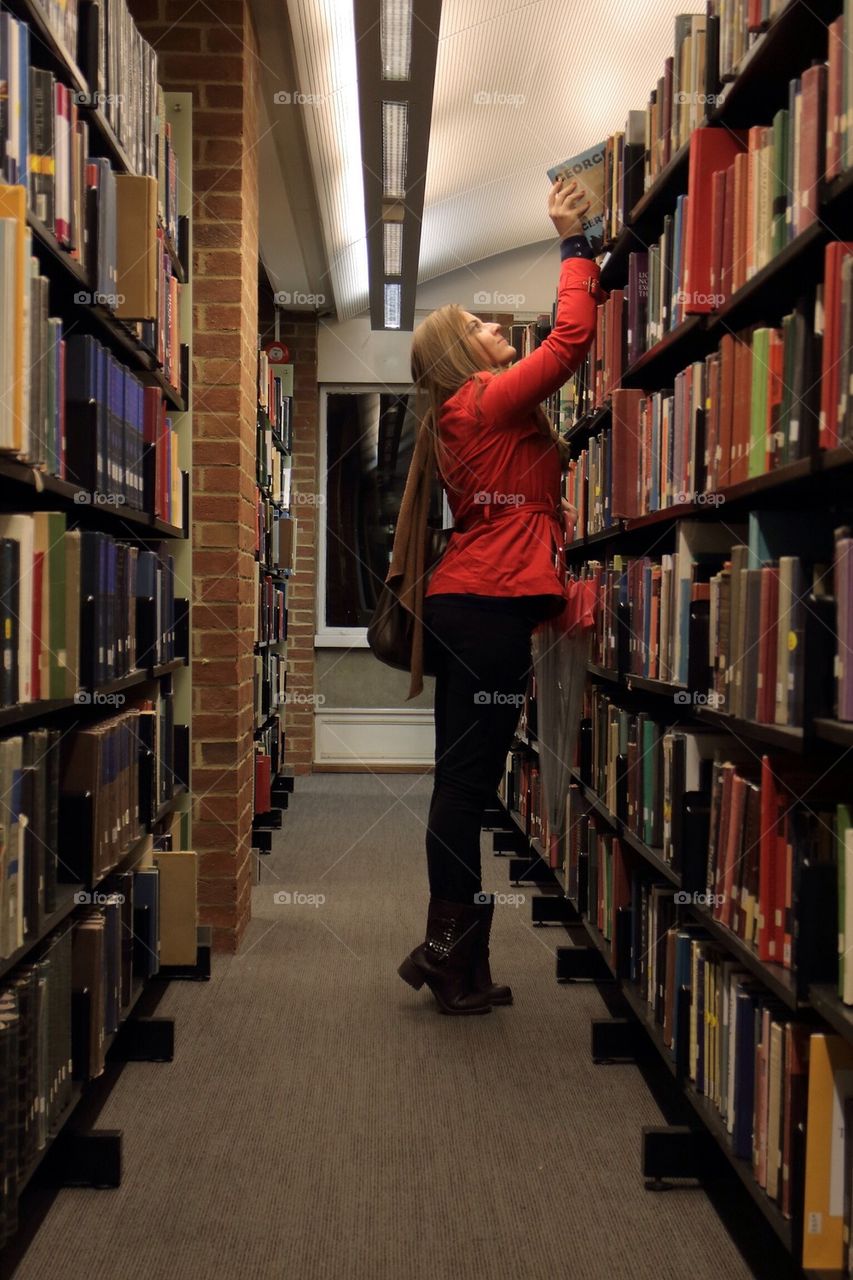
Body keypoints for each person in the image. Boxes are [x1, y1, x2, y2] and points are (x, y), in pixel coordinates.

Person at [397, 178, 606, 1015]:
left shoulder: (466, 413)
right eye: (482, 326)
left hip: (473, 608)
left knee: (465, 783)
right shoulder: (479, 401)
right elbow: (568, 344)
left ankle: (457, 956)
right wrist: (571, 243)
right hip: (482, 616)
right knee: (465, 785)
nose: (496, 330)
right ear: (461, 354)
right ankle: (447, 956)